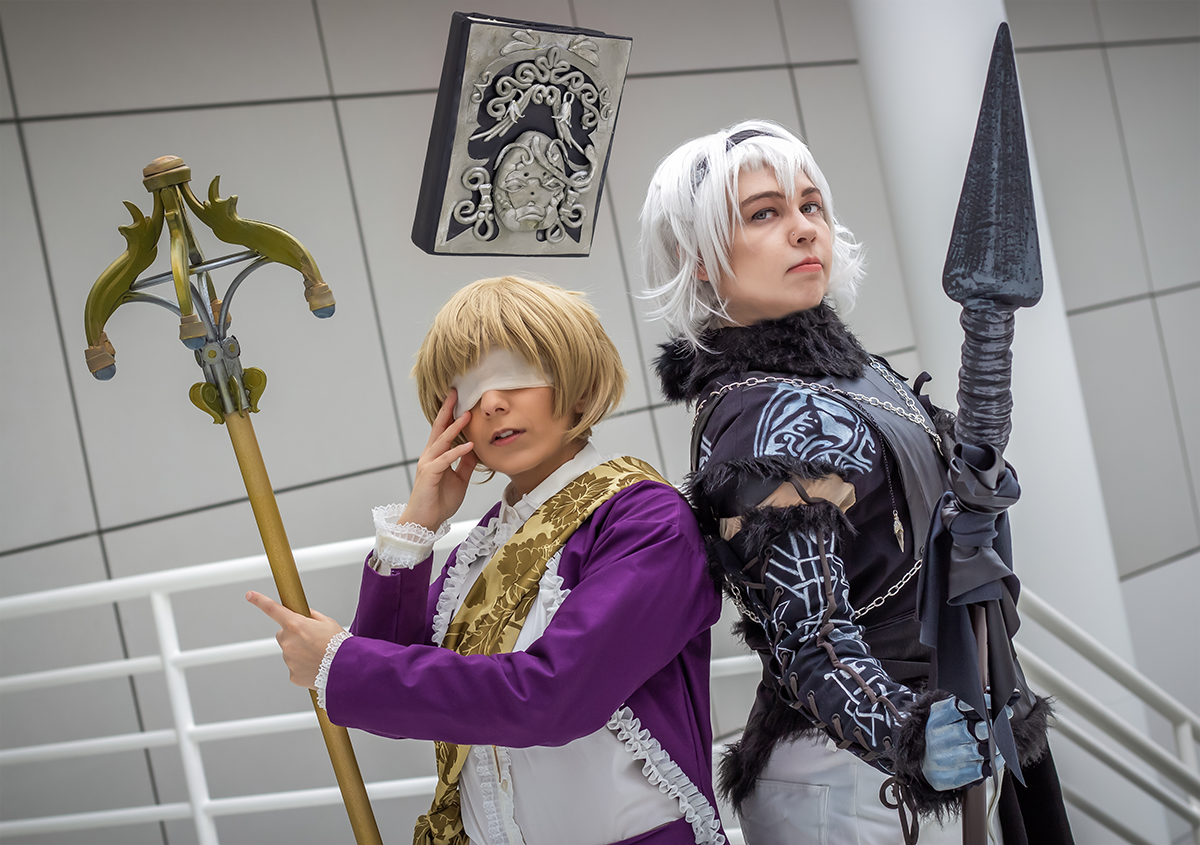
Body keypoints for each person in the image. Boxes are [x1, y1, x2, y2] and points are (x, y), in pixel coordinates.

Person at [641, 120, 1069, 844]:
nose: (804, 228)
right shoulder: (766, 414)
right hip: (852, 783)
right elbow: (810, 635)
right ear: (699, 258)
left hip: (931, 743)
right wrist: (907, 734)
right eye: (764, 213)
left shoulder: (856, 374)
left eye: (811, 205)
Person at [248, 276, 725, 845]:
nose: (492, 402)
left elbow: (554, 696)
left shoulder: (645, 520)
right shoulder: (481, 549)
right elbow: (392, 680)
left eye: (516, 375)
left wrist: (341, 664)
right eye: (467, 389)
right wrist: (418, 525)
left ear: (577, 387)